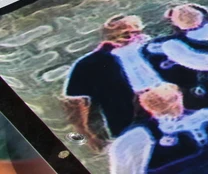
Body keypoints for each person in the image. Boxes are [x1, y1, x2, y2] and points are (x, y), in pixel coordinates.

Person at [64, 15, 165, 151]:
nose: (135, 38)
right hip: (131, 131)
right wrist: (90, 137)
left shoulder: (155, 50)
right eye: (126, 34)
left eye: (137, 32)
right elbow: (75, 104)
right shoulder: (88, 64)